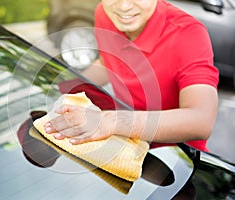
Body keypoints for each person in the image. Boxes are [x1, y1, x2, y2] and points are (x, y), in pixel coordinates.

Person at [43, 0, 219, 151]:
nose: (124, 7)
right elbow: (108, 62)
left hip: (177, 162)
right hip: (126, 146)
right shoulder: (105, 14)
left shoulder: (188, 33)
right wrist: (63, 89)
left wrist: (109, 121)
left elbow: (201, 119)